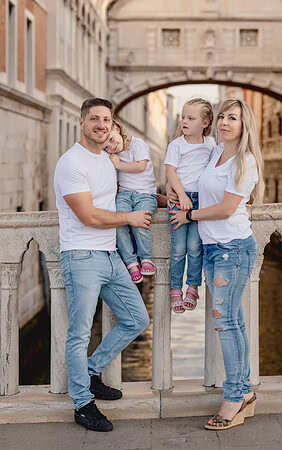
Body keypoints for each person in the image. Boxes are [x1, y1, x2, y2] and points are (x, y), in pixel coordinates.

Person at [54, 98, 151, 433]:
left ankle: (92, 371)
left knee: (137, 318)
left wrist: (170, 201)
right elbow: (89, 215)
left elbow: (134, 190)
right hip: (81, 256)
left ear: (112, 125)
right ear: (82, 122)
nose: (101, 125)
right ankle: (82, 404)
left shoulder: (109, 161)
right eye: (94, 119)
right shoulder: (71, 163)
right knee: (79, 333)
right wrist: (130, 218)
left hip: (110, 255)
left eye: (106, 120)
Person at [169, 99, 264, 430]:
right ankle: (244, 392)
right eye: (222, 116)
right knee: (232, 322)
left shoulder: (245, 161)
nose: (225, 122)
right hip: (214, 249)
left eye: (233, 118)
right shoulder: (214, 154)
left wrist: (189, 215)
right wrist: (169, 192)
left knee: (226, 324)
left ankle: (235, 396)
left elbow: (225, 208)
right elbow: (189, 179)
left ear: (243, 125)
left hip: (232, 248)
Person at [164, 98, 216, 314]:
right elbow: (171, 171)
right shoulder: (177, 145)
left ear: (205, 122)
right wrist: (181, 194)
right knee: (178, 249)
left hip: (201, 202)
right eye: (183, 116)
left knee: (195, 248)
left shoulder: (211, 144)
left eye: (190, 118)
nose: (184, 121)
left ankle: (192, 286)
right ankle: (176, 288)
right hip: (179, 200)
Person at [103, 121, 158, 283]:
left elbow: (141, 166)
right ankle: (131, 262)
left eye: (112, 139)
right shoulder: (110, 156)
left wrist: (119, 164)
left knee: (139, 223)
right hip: (125, 195)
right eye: (106, 146)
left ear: (117, 129)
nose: (111, 147)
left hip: (146, 194)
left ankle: (146, 258)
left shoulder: (137, 144)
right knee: (118, 223)